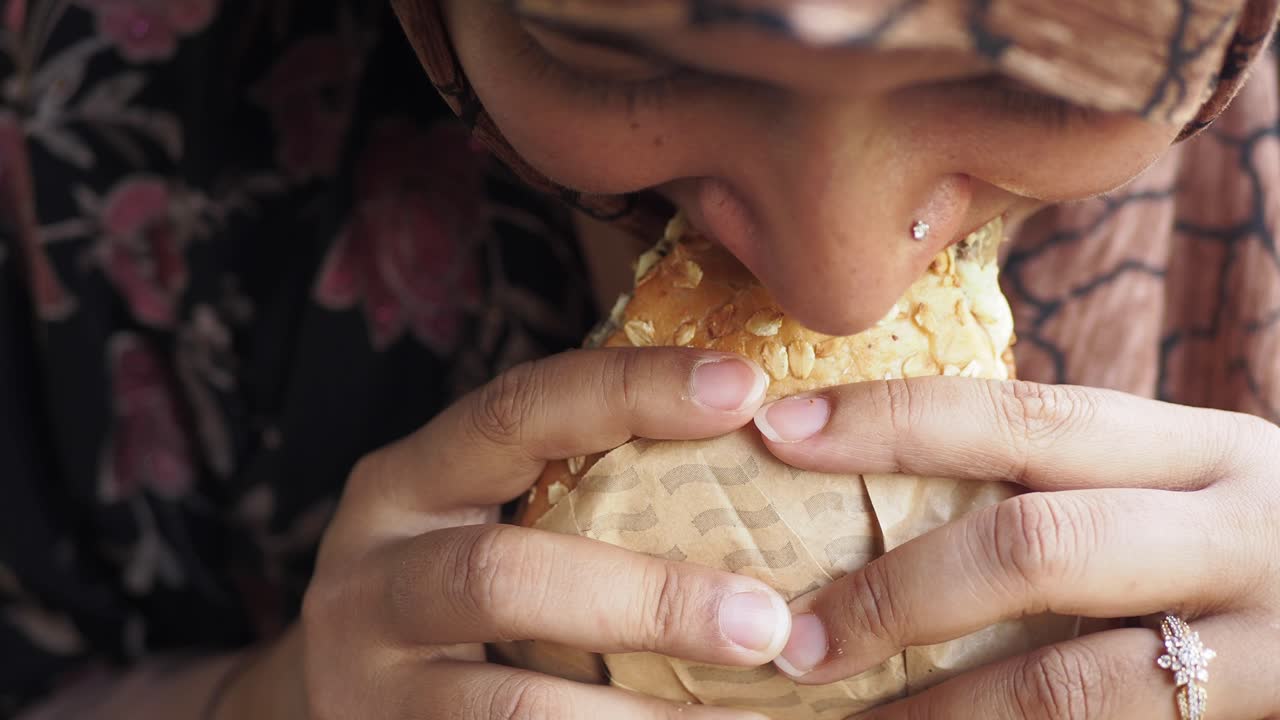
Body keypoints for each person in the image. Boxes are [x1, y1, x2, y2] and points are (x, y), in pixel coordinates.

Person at [2, 0, 1278, 718]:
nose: (835, 285)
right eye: (609, 54)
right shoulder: (110, 129)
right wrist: (277, 707)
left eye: (1046, 81)